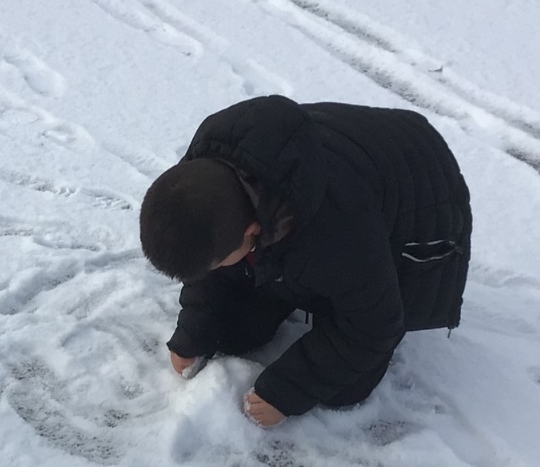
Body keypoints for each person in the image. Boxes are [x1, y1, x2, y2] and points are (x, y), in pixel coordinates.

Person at [139, 95, 471, 427]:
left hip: (421, 210)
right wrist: (192, 336)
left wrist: (286, 392)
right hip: (321, 176)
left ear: (253, 230)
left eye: (215, 262)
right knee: (234, 331)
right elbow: (205, 260)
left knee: (347, 387)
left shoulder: (339, 229)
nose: (210, 271)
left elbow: (375, 325)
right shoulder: (196, 180)